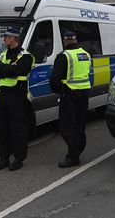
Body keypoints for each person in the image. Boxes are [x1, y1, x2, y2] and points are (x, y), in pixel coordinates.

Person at [0, 27, 33, 171]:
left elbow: (19, 71)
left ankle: (18, 158)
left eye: (6, 37)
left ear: (13, 38)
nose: (4, 40)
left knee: (17, 128)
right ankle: (4, 158)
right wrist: (8, 68)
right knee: (2, 128)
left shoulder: (25, 56)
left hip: (17, 95)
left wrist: (4, 69)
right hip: (2, 95)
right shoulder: (3, 54)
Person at [50, 31, 92, 168]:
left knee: (67, 126)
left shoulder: (64, 56)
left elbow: (55, 78)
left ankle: (73, 157)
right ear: (76, 40)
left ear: (65, 41)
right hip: (84, 93)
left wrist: (59, 90)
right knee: (79, 124)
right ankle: (79, 147)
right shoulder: (85, 54)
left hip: (69, 94)